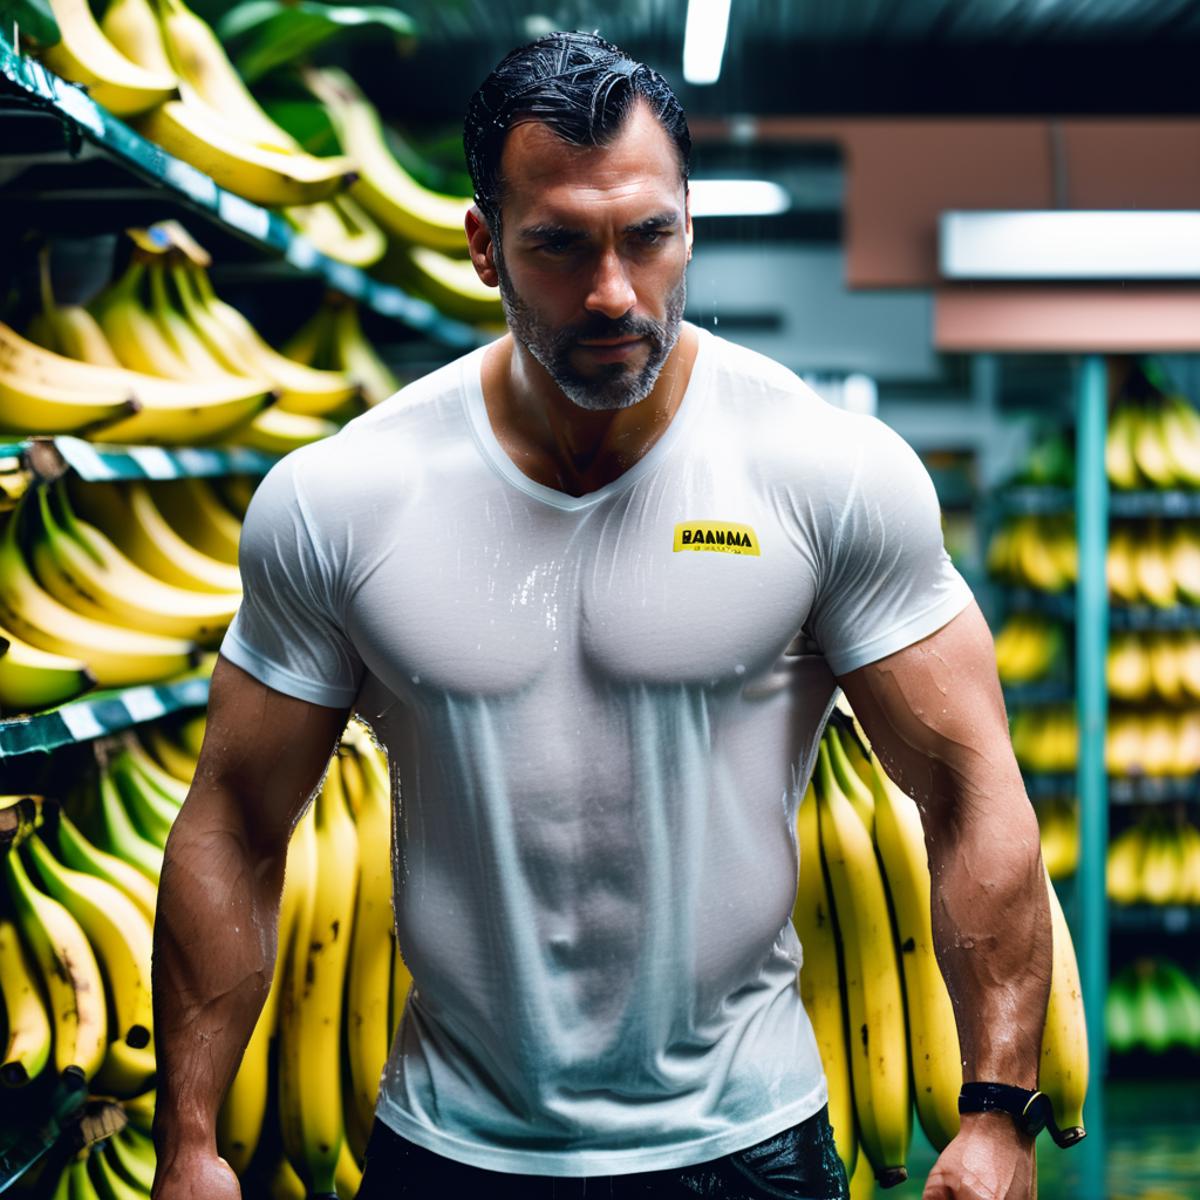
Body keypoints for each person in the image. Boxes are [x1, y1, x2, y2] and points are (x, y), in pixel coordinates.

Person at [149, 32, 1051, 1200]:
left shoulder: (824, 471)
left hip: (747, 1145)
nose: (614, 292)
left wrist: (998, 1115)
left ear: (691, 223)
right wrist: (189, 1143)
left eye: (649, 237)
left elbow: (970, 785)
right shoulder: (346, 497)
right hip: (452, 1149)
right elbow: (232, 819)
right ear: (485, 246)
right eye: (561, 245)